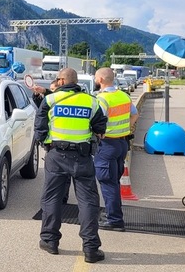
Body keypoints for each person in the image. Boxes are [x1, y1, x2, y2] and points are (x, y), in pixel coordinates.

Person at [35, 67, 108, 263]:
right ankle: (91, 248)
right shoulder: (91, 102)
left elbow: (40, 127)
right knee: (88, 201)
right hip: (82, 157)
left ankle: (50, 241)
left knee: (51, 199)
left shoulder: (50, 100)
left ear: (60, 81)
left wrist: (46, 143)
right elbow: (101, 127)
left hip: (56, 155)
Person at [93, 67, 139, 232]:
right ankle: (113, 214)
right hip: (122, 144)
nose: (95, 79)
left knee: (108, 182)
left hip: (107, 145)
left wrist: (100, 134)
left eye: (95, 77)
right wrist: (126, 128)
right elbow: (135, 114)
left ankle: (114, 220)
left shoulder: (101, 99)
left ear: (101, 80)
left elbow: (96, 122)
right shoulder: (124, 96)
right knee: (114, 180)